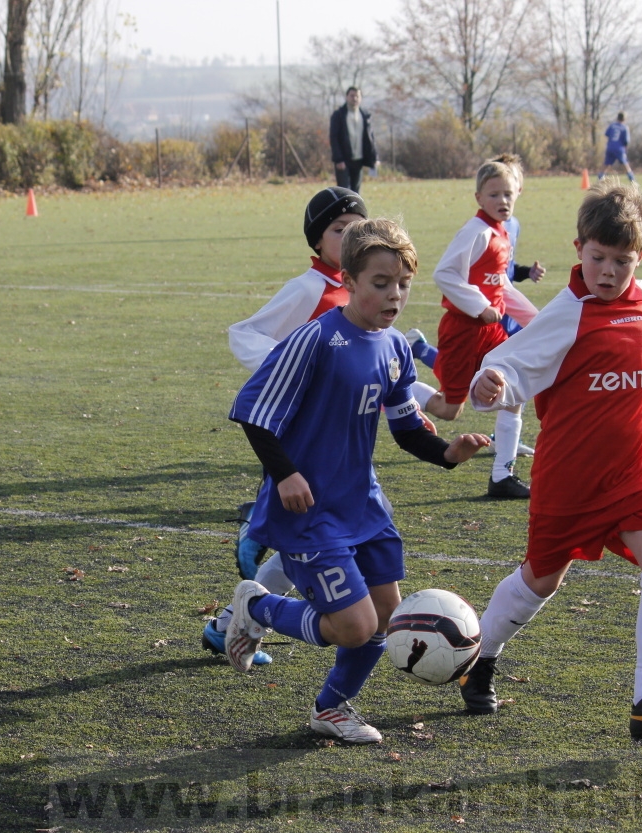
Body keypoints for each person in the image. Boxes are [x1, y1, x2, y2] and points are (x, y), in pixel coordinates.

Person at [461, 180, 642, 742]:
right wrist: (494, 382)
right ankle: (478, 657)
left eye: (621, 260)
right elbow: (512, 364)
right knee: (540, 581)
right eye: (598, 256)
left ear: (640, 258)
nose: (608, 270)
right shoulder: (567, 314)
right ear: (578, 248)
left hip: (638, 472)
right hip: (570, 480)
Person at [223, 217, 489, 744]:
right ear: (349, 280)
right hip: (310, 512)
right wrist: (286, 474)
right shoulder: (315, 340)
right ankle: (255, 606)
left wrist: (447, 453)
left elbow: (408, 427)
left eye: (403, 284)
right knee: (354, 626)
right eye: (381, 283)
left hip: (363, 508)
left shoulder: (393, 349)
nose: (394, 295)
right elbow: (252, 412)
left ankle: (332, 709)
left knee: (386, 620)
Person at [204, 186, 369, 667]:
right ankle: (256, 535)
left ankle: (226, 625)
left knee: (312, 544)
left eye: (360, 228)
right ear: (318, 241)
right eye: (341, 230)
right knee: (317, 542)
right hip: (301, 437)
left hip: (334, 441)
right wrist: (293, 370)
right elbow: (245, 333)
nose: (352, 235)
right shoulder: (310, 288)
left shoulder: (357, 290)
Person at [405, 153, 544, 458]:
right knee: (449, 409)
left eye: (508, 194)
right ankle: (399, 392)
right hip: (463, 329)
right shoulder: (477, 231)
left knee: (514, 383)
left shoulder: (502, 232)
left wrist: (535, 318)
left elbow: (501, 285)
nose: (503, 200)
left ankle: (502, 470)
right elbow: (445, 273)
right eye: (494, 194)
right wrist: (480, 306)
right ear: (479, 197)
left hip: (490, 330)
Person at [329, 87, 378, 194]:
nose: (354, 98)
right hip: (344, 160)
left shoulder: (365, 115)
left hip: (359, 159)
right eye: (352, 96)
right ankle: (342, 211)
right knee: (344, 191)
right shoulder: (339, 115)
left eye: (357, 96)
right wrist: (338, 159)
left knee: (356, 192)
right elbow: (334, 138)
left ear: (360, 98)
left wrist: (374, 157)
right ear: (347, 97)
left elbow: (370, 138)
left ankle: (355, 211)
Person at [599, 112, 635, 182]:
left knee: (606, 164)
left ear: (617, 117)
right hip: (619, 148)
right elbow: (626, 141)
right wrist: (625, 149)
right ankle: (632, 180)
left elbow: (607, 134)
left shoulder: (612, 125)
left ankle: (600, 178)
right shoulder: (624, 127)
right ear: (624, 119)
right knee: (625, 164)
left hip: (610, 147)